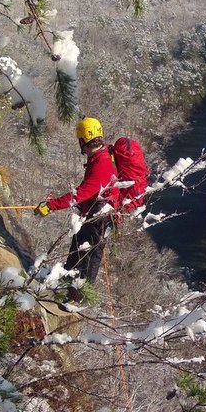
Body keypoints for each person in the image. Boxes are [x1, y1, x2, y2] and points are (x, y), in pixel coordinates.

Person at [35, 117, 119, 293]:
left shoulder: (101, 163)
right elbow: (88, 191)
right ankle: (67, 285)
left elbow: (82, 193)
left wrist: (51, 206)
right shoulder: (100, 157)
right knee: (78, 250)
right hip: (95, 214)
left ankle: (78, 296)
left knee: (88, 257)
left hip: (99, 218)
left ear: (83, 140)